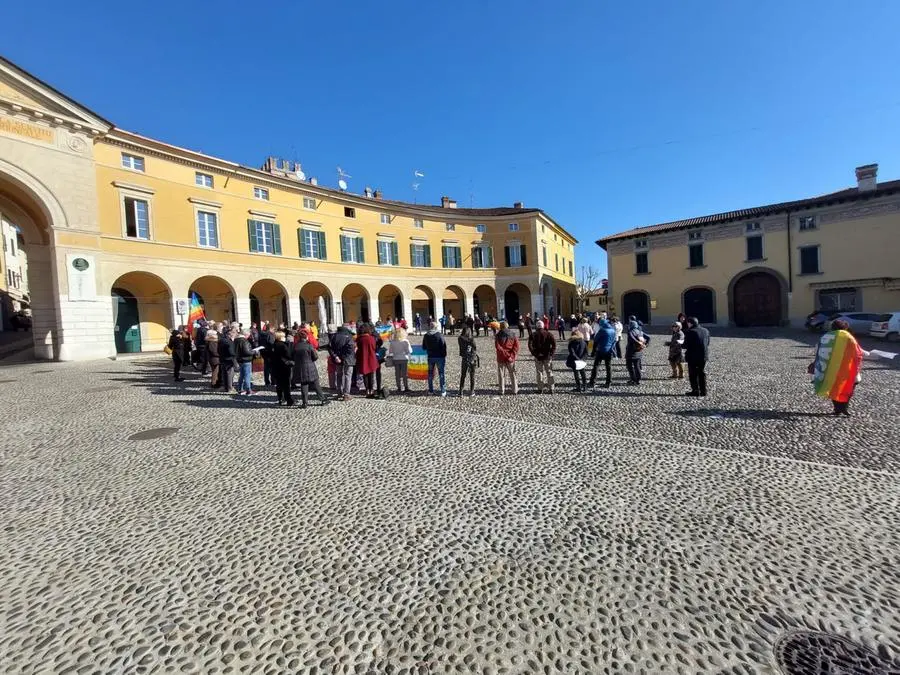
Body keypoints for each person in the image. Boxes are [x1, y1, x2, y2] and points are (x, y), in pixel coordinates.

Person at [811, 318, 866, 416]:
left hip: (831, 370)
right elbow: (858, 353)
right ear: (846, 328)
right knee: (848, 388)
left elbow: (818, 351)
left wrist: (816, 363)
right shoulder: (849, 337)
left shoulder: (825, 337)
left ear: (832, 327)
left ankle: (837, 408)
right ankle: (843, 408)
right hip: (847, 370)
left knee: (833, 387)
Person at [294, 330, 330, 407]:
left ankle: (305, 403)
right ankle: (323, 400)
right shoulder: (309, 346)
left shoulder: (296, 346)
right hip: (310, 367)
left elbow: (293, 357)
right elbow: (315, 357)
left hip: (300, 368)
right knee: (316, 384)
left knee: (304, 385)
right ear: (306, 337)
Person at [683, 317, 710, 396]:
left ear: (690, 323)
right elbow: (707, 343)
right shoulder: (706, 330)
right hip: (703, 355)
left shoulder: (690, 332)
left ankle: (695, 390)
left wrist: (681, 344)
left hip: (693, 356)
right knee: (702, 373)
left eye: (688, 323)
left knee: (693, 374)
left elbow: (686, 345)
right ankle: (703, 391)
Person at [528, 320, 556, 394]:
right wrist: (551, 353)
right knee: (549, 372)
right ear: (543, 326)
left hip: (538, 356)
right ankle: (551, 389)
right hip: (547, 356)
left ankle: (540, 389)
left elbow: (530, 345)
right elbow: (554, 345)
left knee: (539, 372)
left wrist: (534, 353)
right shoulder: (549, 334)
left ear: (536, 326)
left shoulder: (533, 334)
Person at [588, 317, 617, 389]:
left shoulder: (602, 330)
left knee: (596, 366)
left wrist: (593, 351)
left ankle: (592, 382)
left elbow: (595, 340)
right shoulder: (613, 330)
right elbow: (614, 341)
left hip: (601, 350)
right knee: (608, 367)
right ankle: (608, 382)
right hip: (609, 350)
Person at [329, 324, 356, 401]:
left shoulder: (334, 336)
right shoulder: (348, 336)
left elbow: (330, 348)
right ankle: (346, 394)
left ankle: (339, 393)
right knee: (348, 376)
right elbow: (350, 348)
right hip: (348, 359)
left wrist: (336, 356)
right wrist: (343, 357)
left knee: (339, 375)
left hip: (338, 359)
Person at [422, 320, 448, 396]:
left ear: (430, 327)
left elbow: (423, 347)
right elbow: (443, 346)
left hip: (430, 357)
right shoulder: (439, 335)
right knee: (441, 374)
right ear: (436, 327)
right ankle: (443, 391)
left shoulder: (426, 335)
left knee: (430, 374)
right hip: (440, 356)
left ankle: (430, 390)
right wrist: (444, 355)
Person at [494, 321, 520, 395]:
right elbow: (516, 347)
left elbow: (498, 347)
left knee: (501, 375)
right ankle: (515, 390)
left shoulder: (498, 335)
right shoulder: (513, 334)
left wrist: (505, 354)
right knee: (513, 374)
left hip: (501, 357)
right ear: (507, 326)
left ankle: (501, 390)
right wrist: (511, 356)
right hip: (510, 358)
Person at [271, 331, 296, 406]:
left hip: (276, 367)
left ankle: (280, 399)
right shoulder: (283, 345)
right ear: (280, 337)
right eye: (283, 336)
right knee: (286, 384)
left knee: (279, 384)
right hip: (284, 367)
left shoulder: (273, 345)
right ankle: (289, 400)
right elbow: (288, 355)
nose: (284, 337)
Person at [624, 316, 650, 385]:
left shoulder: (630, 332)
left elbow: (632, 338)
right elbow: (648, 337)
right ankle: (638, 379)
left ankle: (633, 379)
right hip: (639, 351)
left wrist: (638, 342)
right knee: (637, 366)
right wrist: (646, 344)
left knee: (629, 366)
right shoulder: (640, 332)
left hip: (630, 352)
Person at [357, 323, 379, 398]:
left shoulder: (359, 339)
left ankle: (367, 390)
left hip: (363, 358)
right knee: (371, 375)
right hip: (371, 358)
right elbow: (374, 347)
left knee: (365, 375)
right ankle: (371, 389)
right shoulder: (371, 338)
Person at [389, 327, 412, 394]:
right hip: (404, 358)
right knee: (404, 374)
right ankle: (406, 387)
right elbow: (409, 351)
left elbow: (390, 351)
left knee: (397, 374)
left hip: (396, 359)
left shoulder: (393, 342)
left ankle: (399, 387)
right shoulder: (405, 341)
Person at [457, 326, 478, 397]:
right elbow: (474, 348)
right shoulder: (471, 339)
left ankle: (460, 391)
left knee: (463, 375)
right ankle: (472, 391)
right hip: (472, 359)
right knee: (472, 376)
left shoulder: (460, 339)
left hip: (464, 358)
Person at [234, 329, 255, 395]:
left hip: (239, 359)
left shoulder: (236, 340)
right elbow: (247, 352)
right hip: (246, 360)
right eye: (248, 335)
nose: (248, 337)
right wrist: (254, 351)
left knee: (242, 375)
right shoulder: (244, 341)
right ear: (245, 334)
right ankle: (248, 390)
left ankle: (240, 389)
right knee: (247, 375)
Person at [218, 328, 237, 393]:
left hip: (222, 359)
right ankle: (229, 388)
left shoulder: (221, 340)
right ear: (230, 334)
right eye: (234, 334)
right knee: (229, 374)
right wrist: (236, 355)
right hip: (229, 359)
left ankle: (225, 387)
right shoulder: (229, 341)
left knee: (224, 374)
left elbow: (218, 350)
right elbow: (231, 352)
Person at [258, 324, 275, 388]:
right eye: (273, 329)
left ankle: (267, 381)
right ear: (270, 329)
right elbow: (272, 343)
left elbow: (259, 343)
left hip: (263, 352)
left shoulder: (261, 335)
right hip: (270, 352)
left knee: (266, 367)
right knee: (272, 368)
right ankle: (273, 381)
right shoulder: (270, 335)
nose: (274, 331)